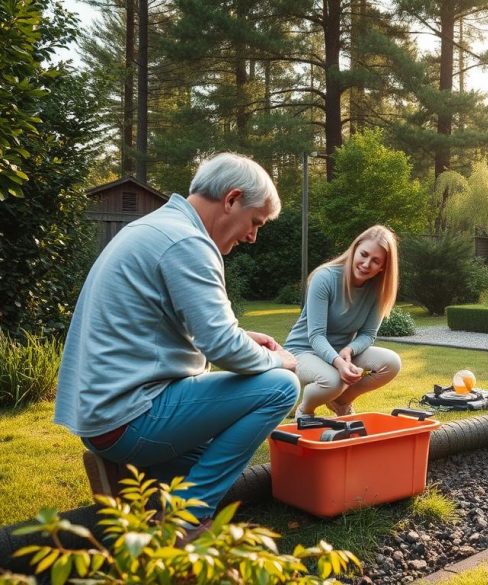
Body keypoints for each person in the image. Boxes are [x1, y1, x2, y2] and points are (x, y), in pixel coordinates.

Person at [55, 153, 300, 533]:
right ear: (232, 199)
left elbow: (171, 330)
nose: (253, 236)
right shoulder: (188, 242)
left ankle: (134, 476)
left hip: (104, 418)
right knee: (281, 388)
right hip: (128, 418)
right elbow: (223, 347)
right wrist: (279, 362)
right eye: (255, 222)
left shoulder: (157, 228)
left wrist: (242, 338)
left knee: (215, 458)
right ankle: (186, 517)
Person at [283, 225, 402, 418]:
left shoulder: (378, 290)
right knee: (334, 381)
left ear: (383, 267)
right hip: (304, 351)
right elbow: (316, 335)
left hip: (341, 351)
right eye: (363, 254)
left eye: (375, 261)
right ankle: (305, 410)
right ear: (354, 249)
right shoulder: (325, 278)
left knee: (391, 363)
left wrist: (349, 350)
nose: (366, 264)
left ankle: (340, 400)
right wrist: (339, 363)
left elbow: (368, 335)